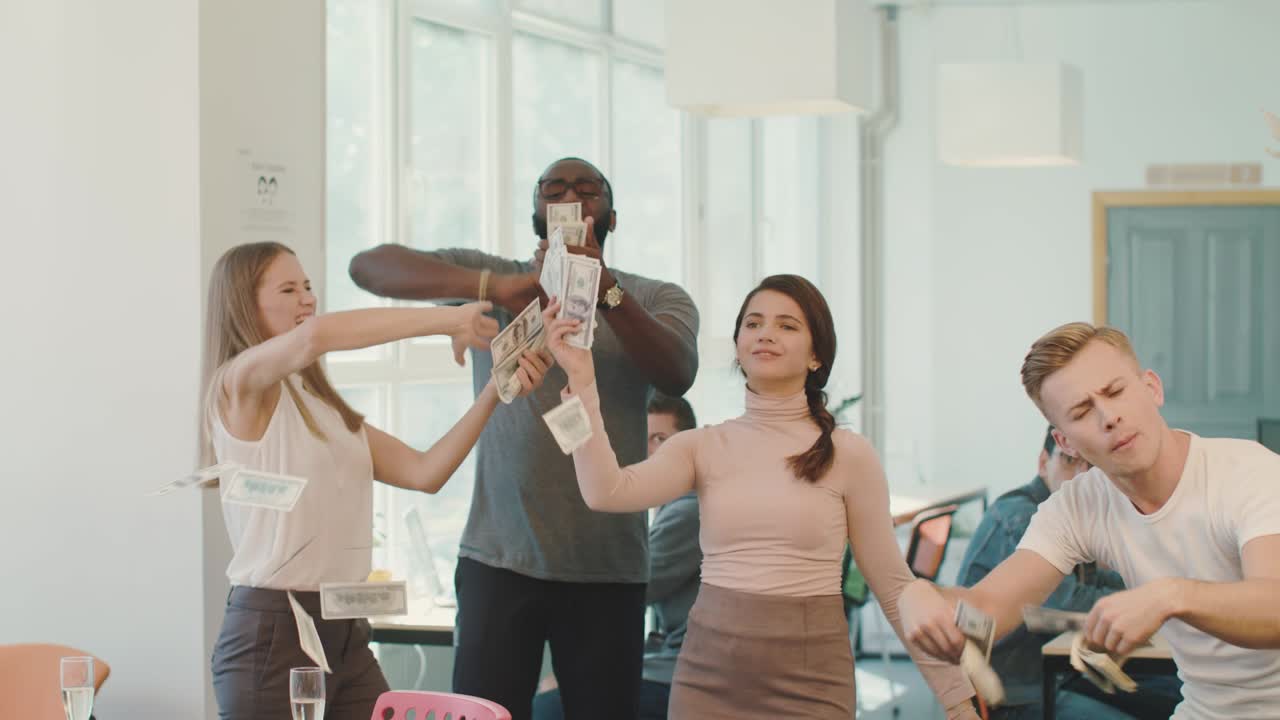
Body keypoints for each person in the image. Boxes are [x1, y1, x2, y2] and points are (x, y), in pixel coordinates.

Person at [347, 157, 699, 720]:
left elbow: (678, 372)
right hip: (498, 560)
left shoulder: (653, 296)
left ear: (612, 215)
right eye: (554, 189)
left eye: (589, 189)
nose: (571, 197)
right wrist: (501, 287)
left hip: (607, 565)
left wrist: (605, 288)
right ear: (536, 213)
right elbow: (368, 268)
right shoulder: (497, 280)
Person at [541, 275, 978, 719]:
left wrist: (958, 702)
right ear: (737, 346)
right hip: (708, 677)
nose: (766, 333)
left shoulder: (849, 454)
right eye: (754, 323)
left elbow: (894, 587)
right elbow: (604, 490)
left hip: (812, 681)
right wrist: (581, 381)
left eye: (787, 325)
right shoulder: (703, 446)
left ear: (816, 356)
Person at [203, 241, 550, 720]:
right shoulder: (235, 384)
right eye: (288, 288)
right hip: (275, 631)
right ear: (244, 304)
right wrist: (447, 320)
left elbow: (425, 472)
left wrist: (494, 391)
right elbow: (317, 337)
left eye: (307, 286)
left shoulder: (319, 405)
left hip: (344, 629)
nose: (307, 298)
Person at [900, 322, 1280, 719]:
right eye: (1082, 412)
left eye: (1116, 392)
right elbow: (988, 606)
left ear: (1152, 388)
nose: (1109, 417)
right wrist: (921, 596)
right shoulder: (1079, 506)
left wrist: (1171, 596)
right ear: (1064, 441)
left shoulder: (1247, 472)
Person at [957, 427, 1183, 718]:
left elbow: (1093, 580)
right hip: (1014, 691)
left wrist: (1152, 591)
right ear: (1042, 463)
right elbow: (1065, 602)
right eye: (1068, 461)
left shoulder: (1069, 513)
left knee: (1175, 691)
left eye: (1089, 466)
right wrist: (1147, 603)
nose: (1079, 476)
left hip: (1059, 671)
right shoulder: (1021, 516)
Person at [533, 393, 702, 720]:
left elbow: (627, 588)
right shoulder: (672, 508)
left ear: (687, 446)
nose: (650, 452)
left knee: (547, 709)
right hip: (668, 662)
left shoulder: (688, 513)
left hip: (684, 675)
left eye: (661, 439)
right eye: (645, 439)